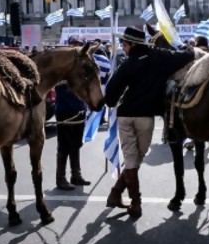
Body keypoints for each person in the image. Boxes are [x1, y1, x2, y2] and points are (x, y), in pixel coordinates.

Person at [104, 26, 195, 218]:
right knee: (135, 157)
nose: (123, 47)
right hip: (146, 117)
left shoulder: (126, 65)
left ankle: (115, 193)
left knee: (134, 158)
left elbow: (110, 97)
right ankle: (135, 202)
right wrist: (185, 46)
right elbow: (188, 56)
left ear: (131, 44)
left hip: (126, 115)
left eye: (124, 44)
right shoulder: (160, 56)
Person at [54, 36, 92, 190]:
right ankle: (60, 178)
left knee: (76, 144)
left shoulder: (83, 66)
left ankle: (76, 175)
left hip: (79, 108)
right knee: (64, 146)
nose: (76, 48)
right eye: (74, 45)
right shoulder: (61, 65)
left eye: (79, 45)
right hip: (64, 109)